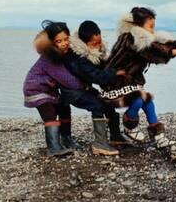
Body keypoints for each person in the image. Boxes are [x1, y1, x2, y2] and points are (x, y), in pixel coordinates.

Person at [101, 7, 176, 149]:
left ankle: (159, 137)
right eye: (151, 26)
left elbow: (160, 45)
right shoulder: (130, 38)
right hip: (115, 81)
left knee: (148, 102)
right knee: (138, 99)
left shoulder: (142, 37)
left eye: (153, 27)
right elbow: (152, 51)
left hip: (131, 81)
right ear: (138, 26)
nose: (152, 30)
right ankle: (129, 125)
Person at [22, 20, 119, 157]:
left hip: (51, 90)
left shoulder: (64, 53)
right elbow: (69, 81)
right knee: (50, 115)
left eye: (66, 39)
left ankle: (66, 139)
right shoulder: (51, 58)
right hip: (37, 90)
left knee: (64, 108)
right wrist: (85, 85)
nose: (64, 43)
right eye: (58, 41)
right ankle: (54, 148)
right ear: (52, 43)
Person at [67, 20, 131, 147]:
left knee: (109, 105)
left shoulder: (97, 51)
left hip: (85, 88)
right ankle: (100, 143)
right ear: (84, 43)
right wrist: (115, 74)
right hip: (73, 91)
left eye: (99, 41)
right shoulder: (79, 56)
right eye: (93, 43)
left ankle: (116, 137)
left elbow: (102, 66)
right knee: (98, 106)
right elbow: (96, 76)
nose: (97, 45)